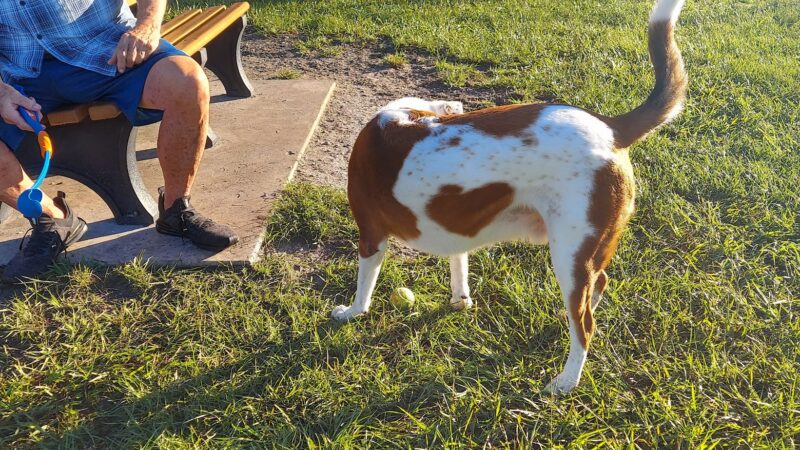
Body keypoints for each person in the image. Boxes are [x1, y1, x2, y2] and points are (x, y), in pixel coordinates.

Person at [0, 0, 239, 283]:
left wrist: (147, 26)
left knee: (186, 81)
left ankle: (177, 210)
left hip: (108, 50)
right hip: (18, 75)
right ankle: (54, 219)